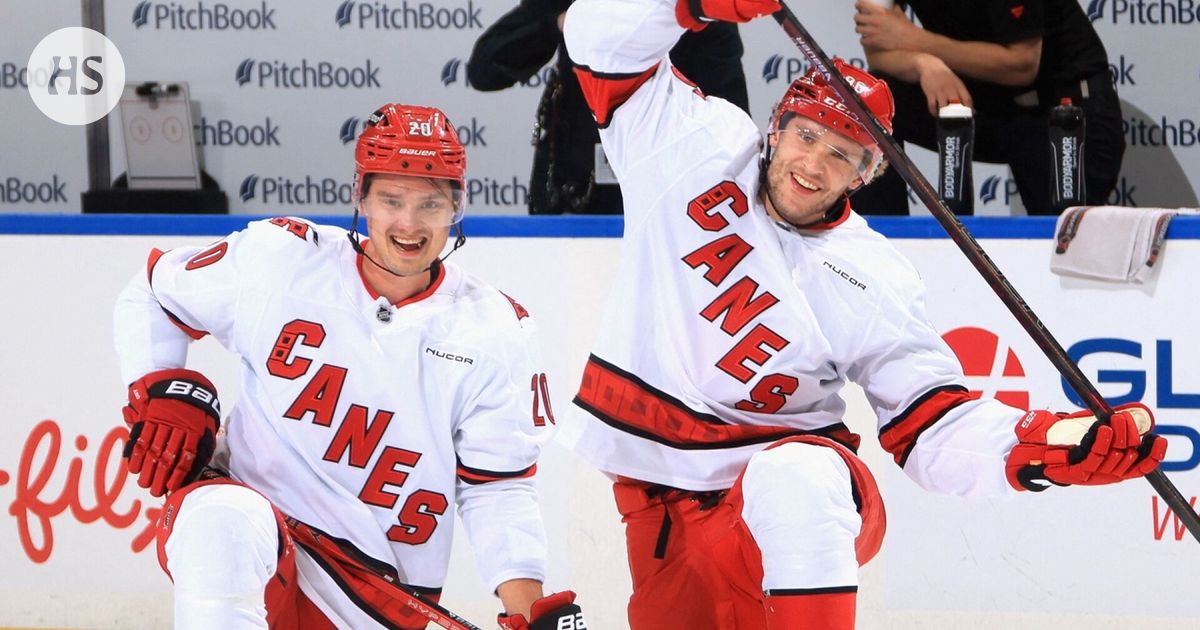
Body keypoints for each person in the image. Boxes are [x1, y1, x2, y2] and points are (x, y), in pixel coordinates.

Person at [560, 1, 1166, 628]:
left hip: (803, 500)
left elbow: (930, 426)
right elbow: (595, 38)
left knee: (797, 475)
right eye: (806, 135)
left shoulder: (873, 272)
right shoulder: (692, 142)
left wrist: (1048, 446)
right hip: (660, 498)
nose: (813, 164)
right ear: (776, 129)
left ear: (867, 173)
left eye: (843, 154)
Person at [113, 103, 584, 630]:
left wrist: (527, 608)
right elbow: (152, 294)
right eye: (391, 200)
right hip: (259, 539)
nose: (409, 224)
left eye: (431, 203)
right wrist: (161, 384)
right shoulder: (281, 260)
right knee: (223, 521)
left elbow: (498, 487)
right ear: (360, 196)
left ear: (456, 208)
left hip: (377, 593)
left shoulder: (495, 329)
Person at [467, 0, 748, 215]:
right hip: (575, 186)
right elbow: (484, 68)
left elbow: (731, 120)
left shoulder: (697, 11)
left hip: (670, 191)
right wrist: (563, 23)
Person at [851, 0, 1125, 215]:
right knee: (865, 102)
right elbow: (878, 49)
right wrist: (924, 64)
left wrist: (916, 40)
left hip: (1064, 112)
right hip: (988, 106)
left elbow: (1022, 65)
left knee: (1061, 243)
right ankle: (882, 246)